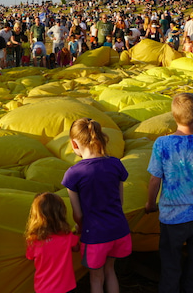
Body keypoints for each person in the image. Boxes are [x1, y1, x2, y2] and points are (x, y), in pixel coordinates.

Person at [145, 93, 193, 293]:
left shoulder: (161, 144)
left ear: (173, 115)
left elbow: (155, 179)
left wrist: (150, 204)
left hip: (171, 216)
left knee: (170, 264)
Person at [62, 118, 131, 293]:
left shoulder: (74, 173)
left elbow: (78, 214)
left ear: (74, 144)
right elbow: (120, 201)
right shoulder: (116, 164)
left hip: (94, 236)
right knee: (110, 271)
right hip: (119, 230)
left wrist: (79, 226)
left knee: (96, 279)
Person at [24, 192, 79, 293]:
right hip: (66, 287)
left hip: (43, 288)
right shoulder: (66, 236)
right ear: (61, 214)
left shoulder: (33, 240)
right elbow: (76, 248)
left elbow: (30, 257)